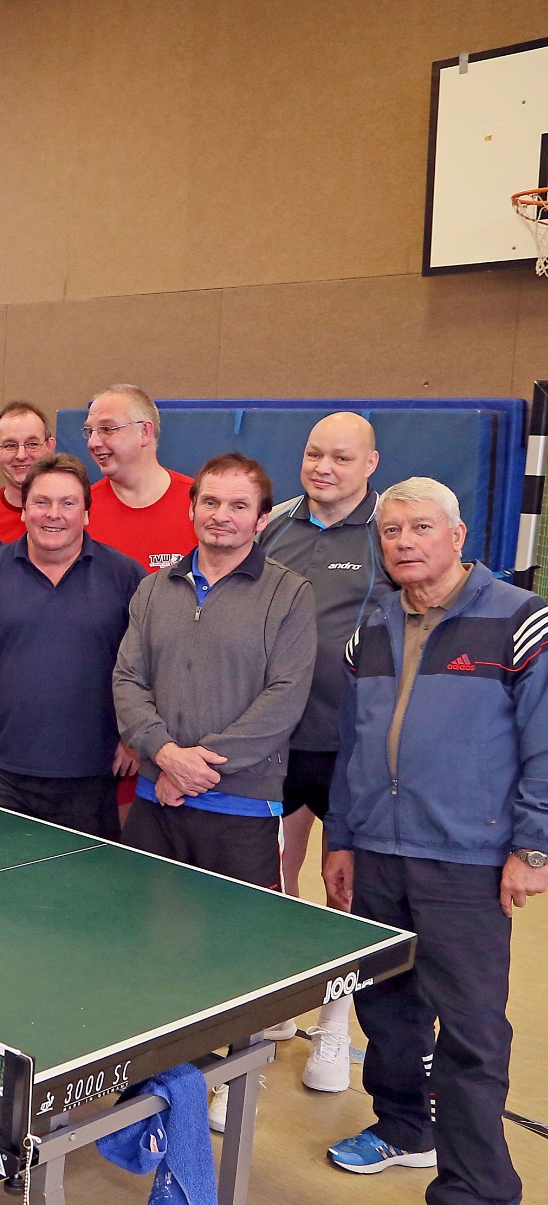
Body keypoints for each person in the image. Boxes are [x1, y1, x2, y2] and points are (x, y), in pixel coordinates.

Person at [322, 477, 548, 1205]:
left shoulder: (520, 619)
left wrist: (533, 847)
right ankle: (401, 1127)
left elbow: (544, 741)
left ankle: (474, 1204)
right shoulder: (372, 625)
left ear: (458, 535)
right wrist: (341, 838)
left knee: (474, 1035)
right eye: (392, 531)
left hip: (467, 859)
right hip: (378, 849)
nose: (405, 542)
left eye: (422, 527)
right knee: (388, 1007)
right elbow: (353, 743)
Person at [258, 411, 394, 1089]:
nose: (324, 468)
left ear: (370, 464)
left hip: (351, 745)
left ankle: (335, 1024)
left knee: (344, 884)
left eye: (342, 458)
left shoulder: (388, 530)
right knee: (273, 873)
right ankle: (281, 996)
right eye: (315, 454)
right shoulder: (274, 524)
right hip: (276, 737)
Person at [0, 454, 144, 838]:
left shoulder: (126, 575)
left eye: (67, 503)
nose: (53, 514)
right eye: (41, 502)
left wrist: (134, 738)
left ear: (86, 513)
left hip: (92, 777)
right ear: (23, 511)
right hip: (4, 776)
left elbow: (148, 667)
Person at [112, 453, 316, 884]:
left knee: (241, 929)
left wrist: (191, 773)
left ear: (262, 519)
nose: (221, 516)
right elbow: (128, 680)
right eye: (210, 502)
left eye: (239, 506)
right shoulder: (152, 589)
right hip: (155, 800)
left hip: (242, 810)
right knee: (136, 923)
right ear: (191, 509)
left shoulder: (290, 594)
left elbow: (285, 697)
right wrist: (166, 755)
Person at [83, 384, 193, 572]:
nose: (93, 443)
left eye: (107, 429)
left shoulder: (200, 503)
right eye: (89, 432)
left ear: (144, 432)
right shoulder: (81, 509)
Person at [0, 401, 53, 542]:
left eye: (32, 444)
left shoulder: (76, 512)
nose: (21, 455)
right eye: (10, 445)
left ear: (49, 446)